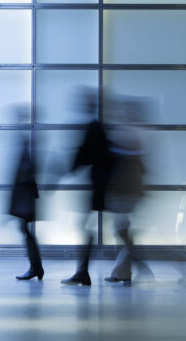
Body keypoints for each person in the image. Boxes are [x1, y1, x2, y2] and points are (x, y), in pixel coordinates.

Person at [61, 88, 112, 286]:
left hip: (96, 186)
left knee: (84, 227)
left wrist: (69, 168)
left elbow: (85, 154)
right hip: (97, 185)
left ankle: (82, 271)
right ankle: (82, 271)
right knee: (85, 226)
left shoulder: (94, 126)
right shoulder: (97, 126)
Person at [103, 98, 153, 285]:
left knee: (122, 230)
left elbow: (127, 163)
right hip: (128, 188)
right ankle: (124, 271)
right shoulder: (135, 133)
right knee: (123, 229)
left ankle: (137, 264)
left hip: (127, 189)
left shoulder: (132, 133)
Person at [9, 106, 43, 281]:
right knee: (25, 229)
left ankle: (36, 267)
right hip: (25, 193)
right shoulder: (28, 136)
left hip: (25, 193)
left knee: (25, 229)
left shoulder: (25, 136)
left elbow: (26, 168)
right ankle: (36, 267)